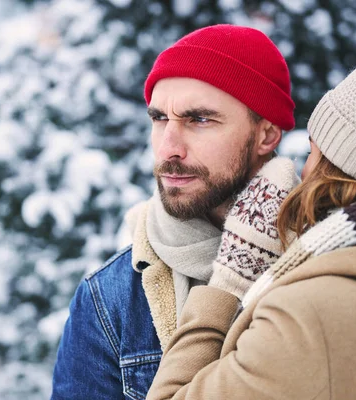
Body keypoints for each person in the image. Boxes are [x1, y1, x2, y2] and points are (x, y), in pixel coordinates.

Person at [146, 48, 356, 400]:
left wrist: (229, 281)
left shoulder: (305, 313)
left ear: (341, 170)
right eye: (159, 118)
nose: (302, 172)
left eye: (311, 152)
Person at [50, 24, 299, 400]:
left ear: (266, 134)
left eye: (199, 119)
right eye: (159, 118)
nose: (169, 147)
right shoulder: (111, 298)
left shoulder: (325, 259)